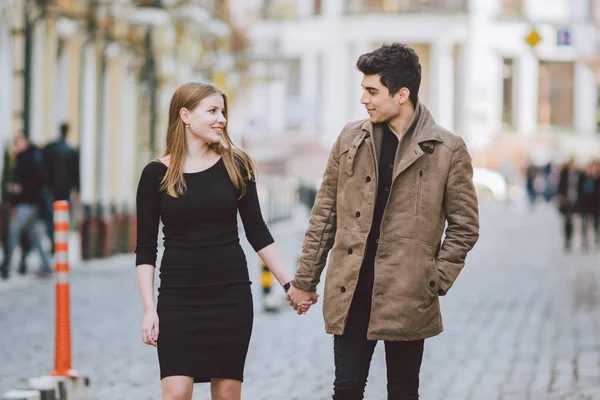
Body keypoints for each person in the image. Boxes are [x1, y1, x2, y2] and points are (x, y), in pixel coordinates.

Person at [286, 43, 480, 399]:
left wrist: (434, 278)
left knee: (403, 391)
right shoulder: (349, 138)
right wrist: (304, 280)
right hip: (351, 288)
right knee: (346, 388)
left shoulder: (447, 150)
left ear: (402, 94)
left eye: (372, 90)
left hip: (408, 292)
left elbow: (465, 226)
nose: (364, 99)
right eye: (363, 89)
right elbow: (324, 214)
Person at [135, 82, 311, 400]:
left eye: (223, 112)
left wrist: (289, 285)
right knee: (175, 392)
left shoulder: (236, 165)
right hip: (178, 297)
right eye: (213, 111)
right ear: (185, 115)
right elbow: (146, 249)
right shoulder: (155, 174)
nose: (222, 119)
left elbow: (258, 231)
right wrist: (149, 309)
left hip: (230, 296)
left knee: (228, 394)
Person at [1, 133, 53, 279]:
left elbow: (35, 181)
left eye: (17, 143)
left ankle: (6, 266)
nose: (15, 146)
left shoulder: (29, 159)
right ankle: (47, 265)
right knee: (34, 235)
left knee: (13, 231)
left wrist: (19, 189)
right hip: (30, 202)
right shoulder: (28, 157)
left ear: (24, 142)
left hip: (28, 202)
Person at [42, 122, 80, 251]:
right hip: (65, 190)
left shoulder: (50, 148)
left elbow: (44, 168)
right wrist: (77, 190)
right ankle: (59, 241)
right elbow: (76, 173)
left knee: (50, 217)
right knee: (62, 217)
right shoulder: (72, 151)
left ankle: (54, 240)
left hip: (51, 189)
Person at [557, 158, 580, 251]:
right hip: (566, 200)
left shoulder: (578, 174)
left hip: (575, 199)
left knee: (572, 219)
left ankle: (570, 238)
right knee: (567, 219)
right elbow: (560, 187)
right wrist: (561, 197)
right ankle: (567, 238)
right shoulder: (564, 175)